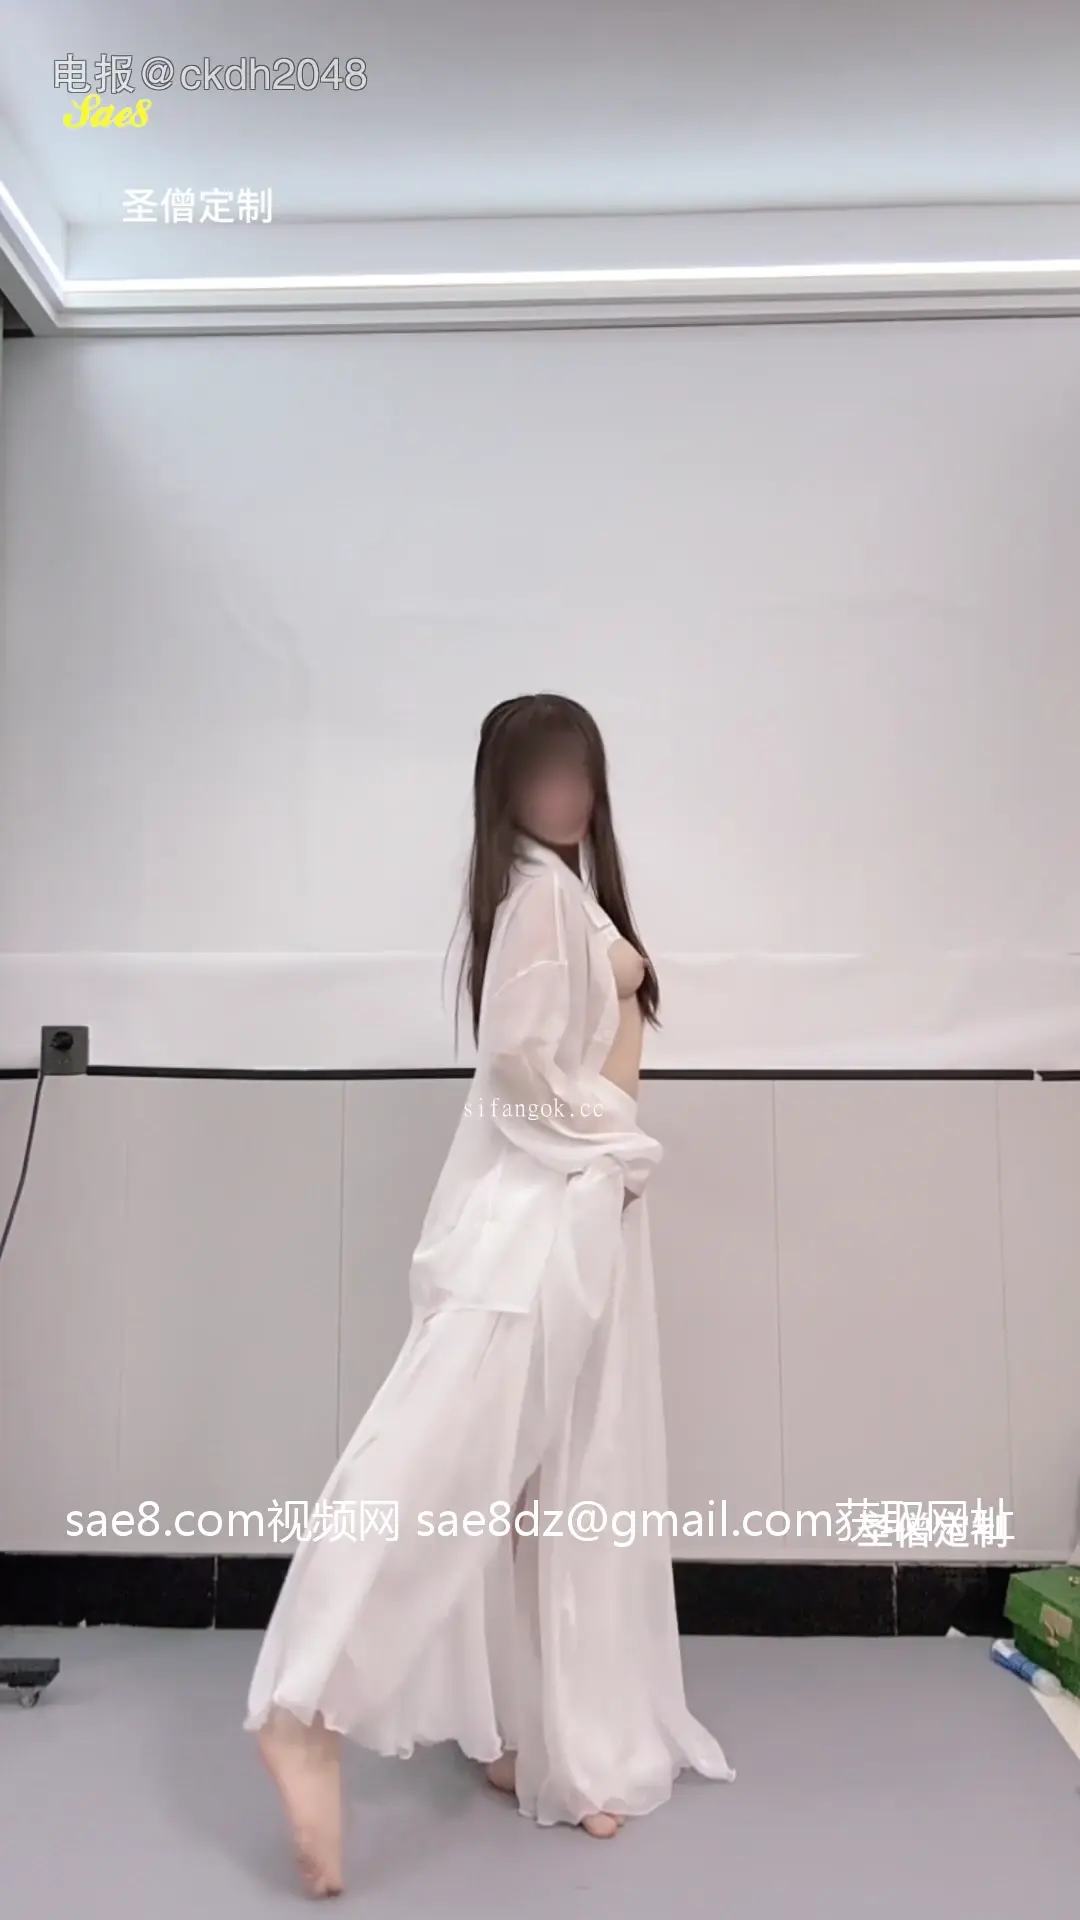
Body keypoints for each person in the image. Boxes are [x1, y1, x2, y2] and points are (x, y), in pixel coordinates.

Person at [246, 692, 734, 1896]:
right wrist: (612, 1145)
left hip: (567, 1213)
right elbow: (516, 1074)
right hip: (534, 1227)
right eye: (541, 774)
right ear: (504, 789)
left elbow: (559, 1067)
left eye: (579, 772)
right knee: (446, 1464)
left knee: (542, 1486)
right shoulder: (537, 900)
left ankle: (534, 1737)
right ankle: (305, 1707)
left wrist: (608, 1141)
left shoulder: (561, 895)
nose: (566, 794)